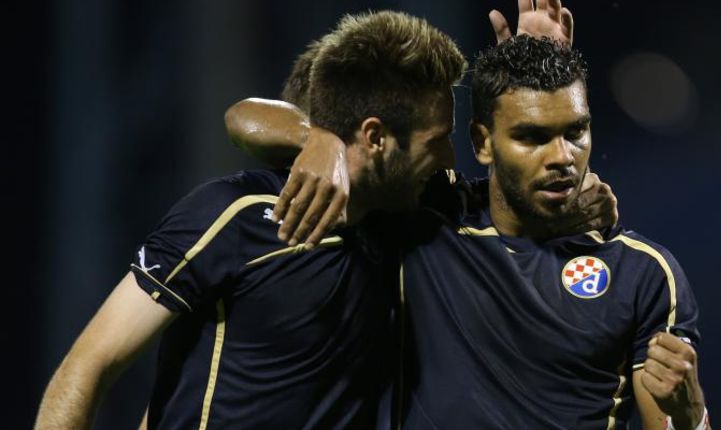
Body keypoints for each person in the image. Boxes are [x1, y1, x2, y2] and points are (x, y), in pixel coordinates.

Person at [234, 17, 710, 430]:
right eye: (531, 136)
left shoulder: (644, 275)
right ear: (483, 144)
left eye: (575, 132)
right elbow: (243, 117)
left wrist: (691, 416)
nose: (562, 157)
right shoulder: (428, 219)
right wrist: (320, 138)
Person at [35, 11, 469, 429]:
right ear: (375, 138)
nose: (451, 158)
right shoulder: (237, 213)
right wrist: (315, 136)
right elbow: (89, 364)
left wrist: (532, 58)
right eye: (439, 141)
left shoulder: (405, 219)